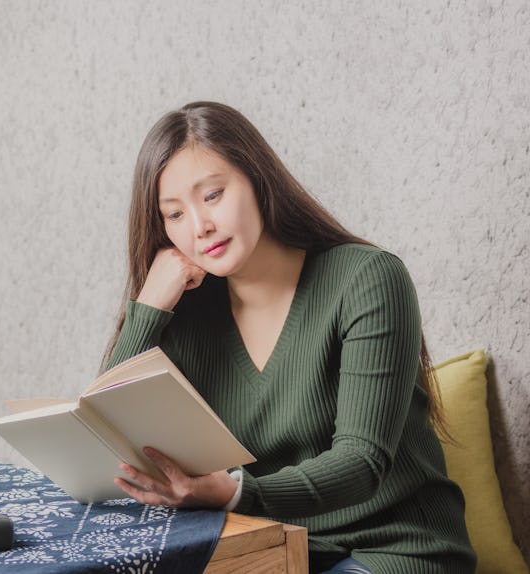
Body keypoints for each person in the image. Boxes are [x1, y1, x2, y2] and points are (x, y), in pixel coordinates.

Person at [103, 101, 476, 574]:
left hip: (393, 550)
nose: (200, 228)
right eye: (174, 215)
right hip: (269, 552)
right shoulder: (187, 312)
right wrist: (149, 307)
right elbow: (106, 433)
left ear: (257, 179)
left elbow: (362, 463)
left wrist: (238, 492)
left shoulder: (367, 280)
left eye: (213, 195)